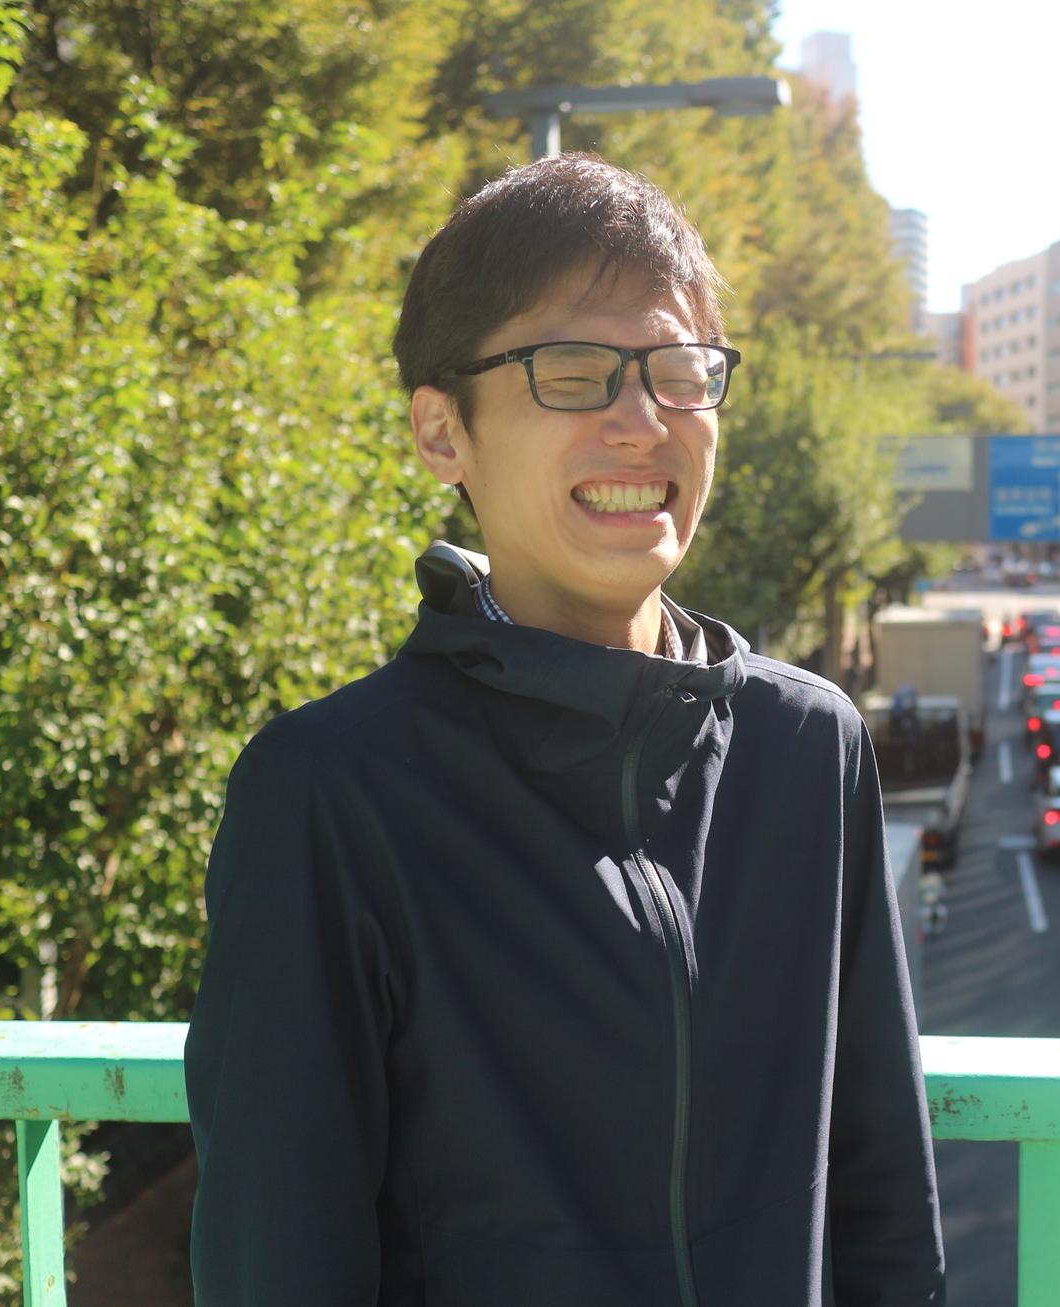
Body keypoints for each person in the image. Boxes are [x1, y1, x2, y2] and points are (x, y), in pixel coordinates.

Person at [184, 153, 945, 1305]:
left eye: (679, 373)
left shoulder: (806, 749)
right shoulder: (329, 793)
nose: (642, 423)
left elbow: (881, 1197)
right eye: (573, 372)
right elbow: (276, 1256)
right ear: (442, 433)